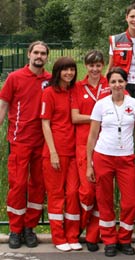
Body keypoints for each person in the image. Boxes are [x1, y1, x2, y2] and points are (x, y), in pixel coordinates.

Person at [0, 41, 51, 249]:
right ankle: (15, 229)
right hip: (20, 140)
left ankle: (30, 227)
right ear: (29, 54)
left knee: (38, 186)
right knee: (18, 185)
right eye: (36, 52)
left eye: (43, 53)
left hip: (44, 142)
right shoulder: (15, 78)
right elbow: (3, 106)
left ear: (47, 57)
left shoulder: (50, 79)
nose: (39, 56)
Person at [86, 67, 135, 257]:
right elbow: (92, 136)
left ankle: (125, 239)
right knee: (104, 199)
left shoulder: (134, 104)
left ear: (126, 83)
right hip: (103, 156)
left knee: (132, 201)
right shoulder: (101, 105)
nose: (117, 85)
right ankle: (109, 239)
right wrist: (88, 164)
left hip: (126, 158)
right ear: (108, 84)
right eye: (113, 81)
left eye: (120, 81)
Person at [41, 57, 81, 252]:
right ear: (58, 72)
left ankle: (73, 235)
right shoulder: (49, 93)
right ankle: (58, 237)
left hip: (74, 151)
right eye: (65, 70)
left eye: (72, 70)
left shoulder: (74, 91)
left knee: (73, 193)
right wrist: (53, 152)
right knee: (56, 195)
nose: (69, 73)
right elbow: (45, 124)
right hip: (55, 152)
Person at [71, 50, 110, 252]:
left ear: (103, 65)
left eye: (98, 65)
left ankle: (93, 235)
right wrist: (99, 117)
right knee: (86, 191)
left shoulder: (110, 84)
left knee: (101, 193)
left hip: (106, 146)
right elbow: (75, 117)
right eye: (91, 65)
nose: (95, 69)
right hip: (83, 145)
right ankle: (78, 229)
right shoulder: (78, 87)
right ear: (85, 66)